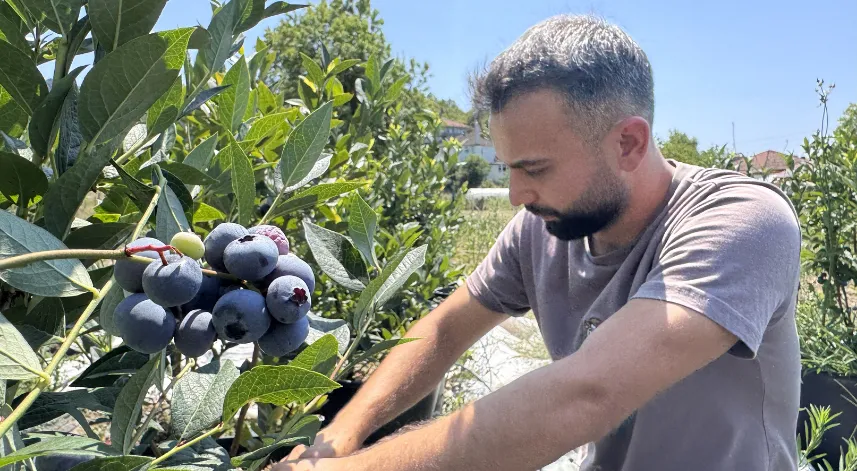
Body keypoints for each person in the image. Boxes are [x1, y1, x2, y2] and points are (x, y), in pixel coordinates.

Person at [274, 13, 802, 471]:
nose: (514, 194)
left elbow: (585, 395)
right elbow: (443, 331)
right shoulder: (543, 225)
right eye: (509, 168)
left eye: (534, 168)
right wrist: (338, 438)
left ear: (629, 143)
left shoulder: (742, 220)